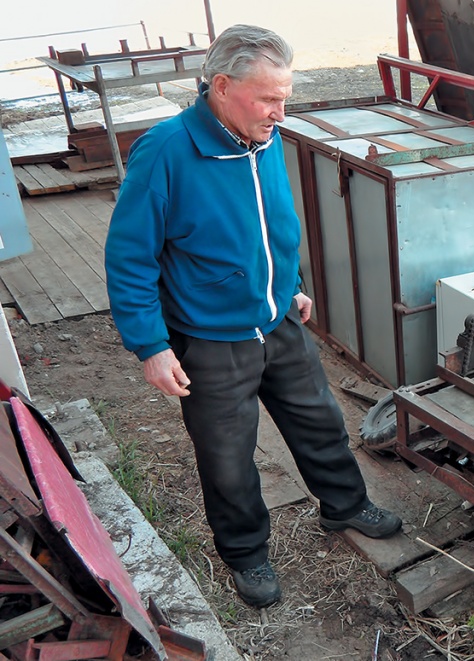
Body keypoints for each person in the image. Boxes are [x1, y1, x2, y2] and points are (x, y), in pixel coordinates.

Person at [104, 24, 402, 609]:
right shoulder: (167, 151)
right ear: (221, 86)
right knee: (227, 456)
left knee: (320, 422)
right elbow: (129, 257)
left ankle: (345, 505)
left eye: (284, 96)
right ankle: (246, 553)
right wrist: (151, 346)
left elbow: (270, 226)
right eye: (269, 98)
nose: (280, 111)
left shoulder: (259, 139)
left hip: (277, 323)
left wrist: (291, 284)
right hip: (211, 340)